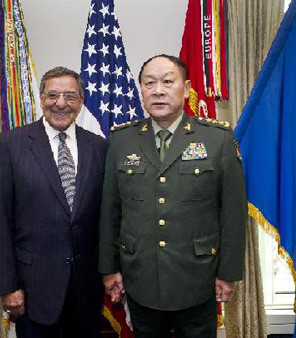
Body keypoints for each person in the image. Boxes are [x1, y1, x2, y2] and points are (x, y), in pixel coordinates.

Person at [98, 54, 247, 338]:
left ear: (187, 88)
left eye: (168, 81)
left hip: (197, 276)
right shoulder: (121, 140)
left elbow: (232, 212)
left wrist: (228, 273)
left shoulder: (217, 139)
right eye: (149, 83)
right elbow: (110, 210)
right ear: (141, 90)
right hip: (140, 276)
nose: (158, 90)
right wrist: (109, 268)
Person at [0, 67, 108, 338]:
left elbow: (107, 217)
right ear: (41, 98)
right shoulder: (9, 145)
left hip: (86, 291)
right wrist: (8, 286)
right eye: (53, 95)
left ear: (81, 101)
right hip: (31, 290)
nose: (61, 103)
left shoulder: (99, 147)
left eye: (70, 96)